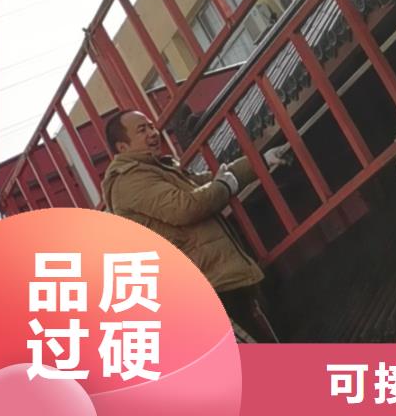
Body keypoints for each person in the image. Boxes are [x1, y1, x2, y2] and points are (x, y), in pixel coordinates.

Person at [101, 109, 284, 341]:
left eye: (151, 126)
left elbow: (208, 182)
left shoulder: (157, 168)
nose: (153, 133)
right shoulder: (129, 181)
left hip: (219, 278)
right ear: (122, 147)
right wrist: (224, 186)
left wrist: (260, 162)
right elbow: (185, 207)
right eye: (142, 130)